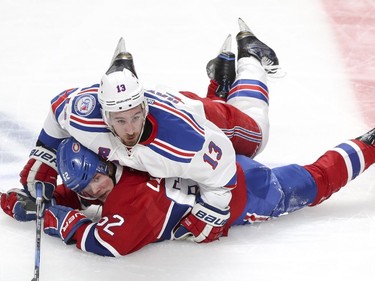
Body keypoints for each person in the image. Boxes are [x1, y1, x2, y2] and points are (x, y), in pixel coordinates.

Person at [19, 18, 281, 238]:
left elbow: (223, 165)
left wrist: (212, 213)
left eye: (134, 118)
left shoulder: (182, 141)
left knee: (256, 136)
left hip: (203, 118)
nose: (130, 130)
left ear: (143, 108)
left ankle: (252, 58)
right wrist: (45, 155)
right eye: (119, 120)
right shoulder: (86, 114)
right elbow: (59, 108)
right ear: (105, 114)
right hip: (172, 109)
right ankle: (221, 84)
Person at [2, 128, 374, 256]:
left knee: (312, 183)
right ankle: (228, 79)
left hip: (246, 193)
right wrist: (45, 197)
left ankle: (369, 145)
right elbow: (86, 195)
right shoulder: (121, 159)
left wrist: (50, 215)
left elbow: (105, 243)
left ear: (104, 163)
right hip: (214, 163)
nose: (93, 190)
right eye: (84, 186)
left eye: (94, 180)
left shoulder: (132, 201)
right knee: (246, 126)